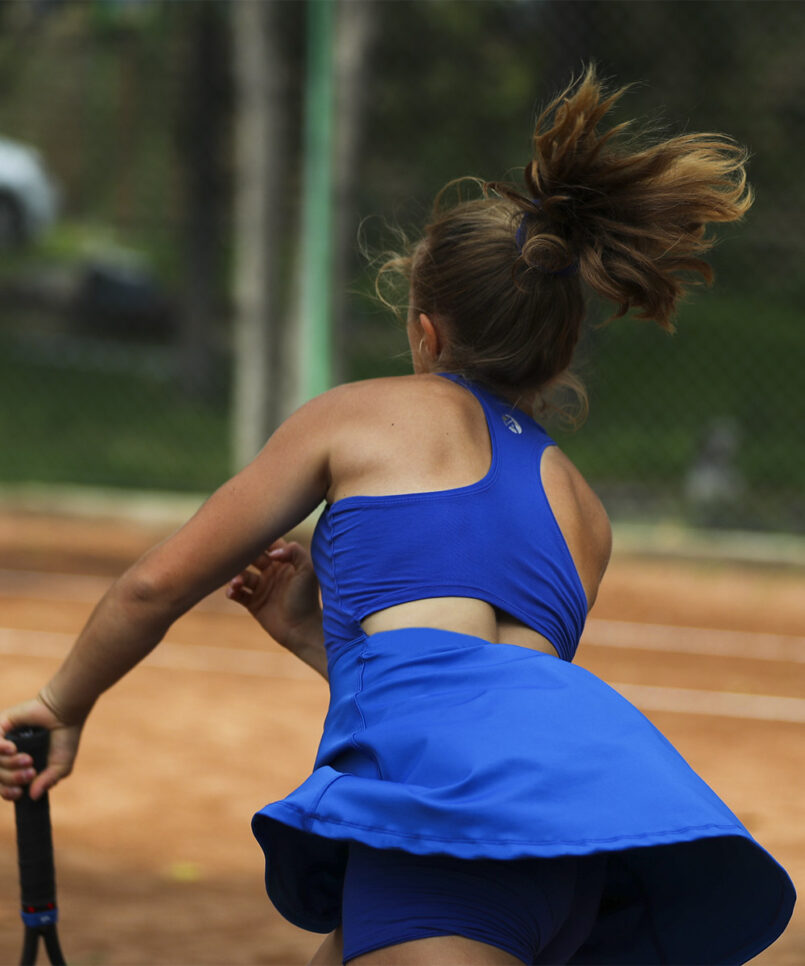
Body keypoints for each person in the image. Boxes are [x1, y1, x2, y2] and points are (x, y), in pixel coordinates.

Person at [0, 68, 795, 965]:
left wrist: (63, 702)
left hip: (447, 839)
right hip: (573, 839)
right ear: (560, 345)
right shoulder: (584, 510)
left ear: (425, 330)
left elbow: (155, 584)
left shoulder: (362, 415)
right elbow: (488, 710)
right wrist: (316, 641)